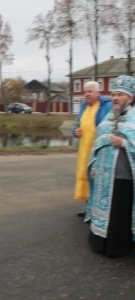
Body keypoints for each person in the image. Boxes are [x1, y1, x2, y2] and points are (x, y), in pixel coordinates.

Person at [87, 75, 135, 257]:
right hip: (104, 175)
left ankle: (118, 246)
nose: (115, 98)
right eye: (114, 94)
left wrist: (124, 143)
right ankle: (100, 243)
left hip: (125, 176)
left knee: (120, 212)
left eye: (120, 94)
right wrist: (94, 166)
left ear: (130, 98)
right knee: (104, 209)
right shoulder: (107, 119)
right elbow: (97, 145)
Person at [72, 81, 112, 218]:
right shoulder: (83, 106)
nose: (86, 94)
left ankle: (98, 213)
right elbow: (76, 124)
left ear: (98, 93)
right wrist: (74, 131)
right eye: (85, 92)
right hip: (84, 149)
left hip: (98, 150)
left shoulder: (106, 106)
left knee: (97, 179)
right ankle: (89, 209)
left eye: (89, 91)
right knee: (86, 177)